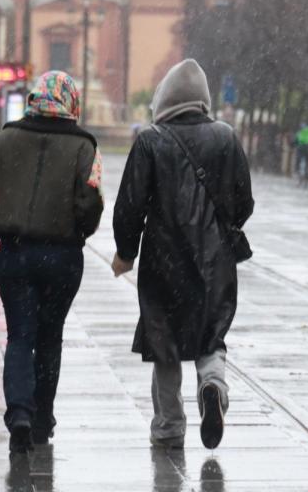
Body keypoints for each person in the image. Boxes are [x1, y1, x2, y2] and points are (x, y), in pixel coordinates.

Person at [111, 59, 254, 450]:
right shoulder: (226, 137)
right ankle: (213, 386)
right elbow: (244, 203)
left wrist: (125, 252)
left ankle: (169, 426)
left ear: (165, 99)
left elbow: (129, 206)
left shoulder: (150, 140)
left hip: (163, 259)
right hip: (216, 261)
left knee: (166, 342)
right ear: (203, 99)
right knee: (210, 335)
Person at [0, 71, 104, 454]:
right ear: (70, 102)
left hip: (16, 252)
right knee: (50, 336)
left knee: (20, 336)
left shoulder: (7, 138)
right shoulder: (84, 147)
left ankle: (20, 414)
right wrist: (79, 229)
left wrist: (3, 212)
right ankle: (43, 418)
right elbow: (90, 202)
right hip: (62, 256)